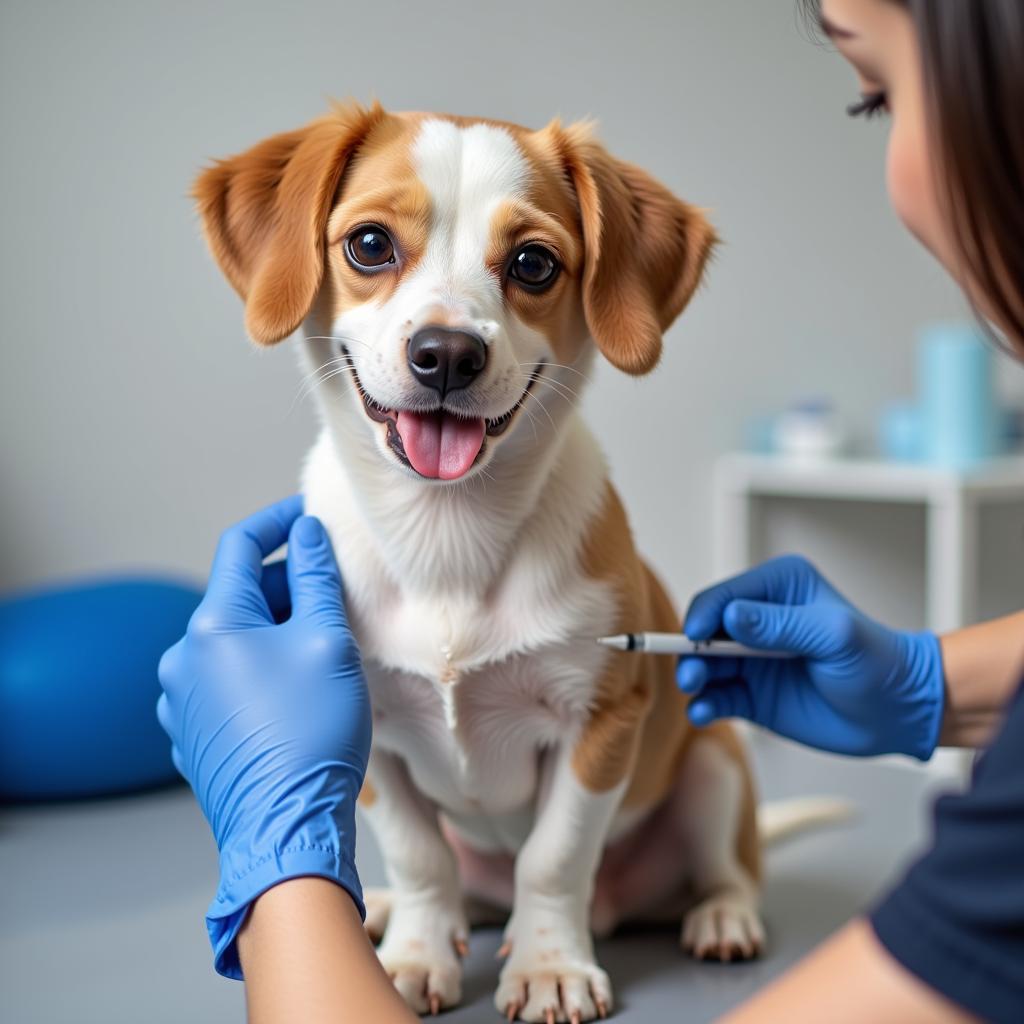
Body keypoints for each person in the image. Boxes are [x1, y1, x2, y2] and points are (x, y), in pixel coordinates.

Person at [157, 0, 1024, 1021]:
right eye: (372, 247)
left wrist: (279, 862)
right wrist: (926, 685)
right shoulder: (323, 567)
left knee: (702, 767)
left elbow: (607, 715)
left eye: (529, 266)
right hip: (473, 862)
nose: (445, 336)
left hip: (623, 842)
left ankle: (704, 879)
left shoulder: (589, 564)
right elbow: (381, 750)